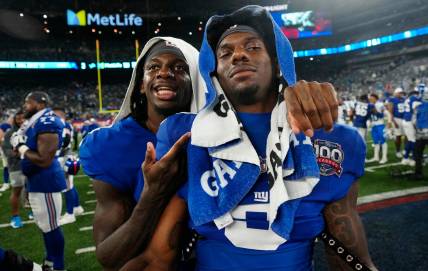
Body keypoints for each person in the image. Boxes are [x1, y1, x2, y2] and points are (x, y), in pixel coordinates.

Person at [80, 33, 339, 270]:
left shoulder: (225, 136)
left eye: (179, 68)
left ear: (197, 80)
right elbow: (110, 257)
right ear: (140, 83)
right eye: (154, 67)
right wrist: (153, 194)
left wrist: (298, 94)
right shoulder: (108, 145)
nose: (164, 73)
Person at [146, 5, 376, 270]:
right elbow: (159, 255)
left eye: (253, 47)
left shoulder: (330, 137)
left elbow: (349, 258)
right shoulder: (183, 135)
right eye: (225, 53)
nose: (239, 56)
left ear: (278, 62)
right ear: (213, 72)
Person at [10, 92, 67, 271]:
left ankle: (58, 265)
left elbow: (44, 159)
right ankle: (50, 260)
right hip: (35, 180)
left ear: (39, 104)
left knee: (51, 226)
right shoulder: (34, 120)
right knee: (44, 225)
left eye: (28, 103)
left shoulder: (47, 121)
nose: (25, 106)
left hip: (46, 182)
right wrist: (18, 146)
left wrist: (21, 147)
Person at [52, 107, 84, 225]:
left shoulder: (61, 125)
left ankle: (70, 214)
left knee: (67, 187)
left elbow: (62, 143)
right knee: (70, 185)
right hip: (68, 156)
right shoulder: (67, 125)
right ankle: (77, 207)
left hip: (63, 157)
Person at [1, 110, 26, 228]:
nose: (21, 121)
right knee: (16, 191)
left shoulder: (29, 131)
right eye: (18, 119)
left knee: (30, 191)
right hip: (15, 166)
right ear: (15, 120)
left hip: (29, 166)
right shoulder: (9, 133)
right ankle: (15, 216)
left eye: (23, 118)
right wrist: (19, 152)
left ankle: (31, 211)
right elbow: (7, 151)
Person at [401, 86, 423, 166]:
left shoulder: (408, 99)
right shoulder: (415, 99)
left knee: (410, 140)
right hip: (410, 121)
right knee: (414, 141)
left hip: (405, 120)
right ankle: (414, 159)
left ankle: (405, 158)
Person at [366, 94, 388, 164]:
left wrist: (376, 112)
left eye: (371, 98)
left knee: (383, 141)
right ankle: (376, 157)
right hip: (373, 125)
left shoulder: (380, 104)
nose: (370, 99)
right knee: (375, 142)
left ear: (375, 98)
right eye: (370, 98)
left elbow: (384, 114)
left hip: (380, 125)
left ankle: (384, 157)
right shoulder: (369, 105)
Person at [413, 85, 428, 179]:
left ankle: (418, 173)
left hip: (420, 134)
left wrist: (418, 130)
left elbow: (413, 121)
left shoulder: (417, 106)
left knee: (418, 154)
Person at [387, 87, 406, 158]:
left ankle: (405, 150)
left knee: (406, 135)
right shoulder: (392, 99)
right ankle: (398, 151)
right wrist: (394, 122)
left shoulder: (404, 99)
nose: (401, 94)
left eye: (401, 93)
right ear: (396, 93)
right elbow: (390, 112)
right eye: (399, 93)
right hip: (397, 119)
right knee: (398, 136)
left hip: (404, 119)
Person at [0, 114, 13, 192]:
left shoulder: (21, 126)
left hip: (17, 149)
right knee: (6, 166)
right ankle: (6, 183)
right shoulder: (5, 126)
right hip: (7, 149)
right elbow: (0, 137)